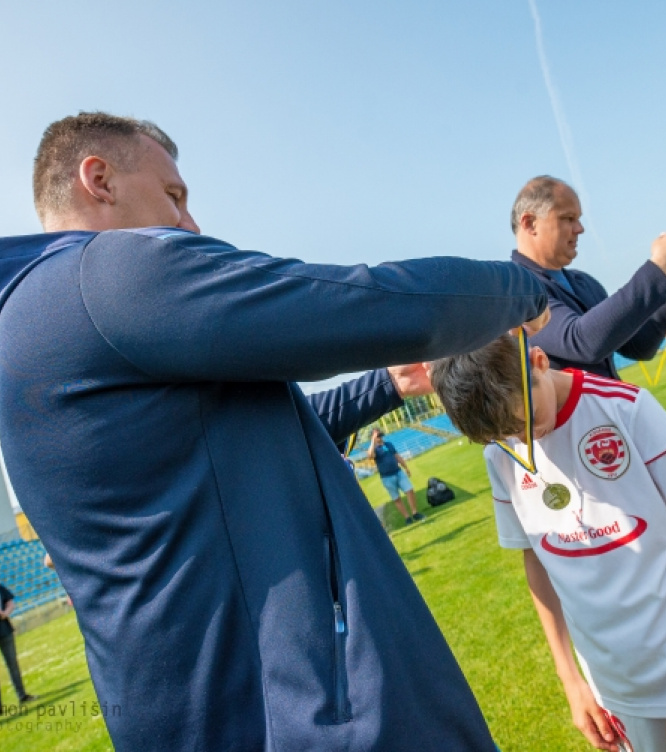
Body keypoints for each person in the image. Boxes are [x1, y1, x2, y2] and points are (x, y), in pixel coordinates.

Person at [0, 112, 550, 751]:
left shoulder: (31, 319)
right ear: (98, 179)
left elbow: (226, 455)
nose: (190, 224)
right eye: (174, 195)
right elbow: (361, 301)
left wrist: (383, 387)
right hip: (295, 709)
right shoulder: (104, 274)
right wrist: (526, 288)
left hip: (203, 711)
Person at [429, 336, 666, 752]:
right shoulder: (501, 453)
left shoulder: (623, 408)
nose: (521, 441)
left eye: (523, 421)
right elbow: (537, 563)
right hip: (616, 694)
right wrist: (572, 681)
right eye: (503, 435)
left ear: (538, 360)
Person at [509, 175, 666, 379]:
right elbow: (582, 342)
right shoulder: (515, 289)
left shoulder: (585, 282)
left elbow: (638, 347)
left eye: (578, 219)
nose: (580, 228)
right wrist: (659, 268)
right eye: (568, 218)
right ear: (530, 223)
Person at [367, 428, 424, 524]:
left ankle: (415, 513)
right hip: (386, 477)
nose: (380, 437)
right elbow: (370, 456)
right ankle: (407, 518)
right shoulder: (374, 449)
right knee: (396, 498)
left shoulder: (388, 444)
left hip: (398, 472)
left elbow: (397, 456)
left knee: (409, 491)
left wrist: (406, 467)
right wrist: (373, 441)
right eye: (377, 436)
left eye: (380, 435)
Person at [0, 583, 37, 706]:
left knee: (13, 665)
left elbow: (10, 602)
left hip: (5, 630)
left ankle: (22, 695)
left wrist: (5, 613)